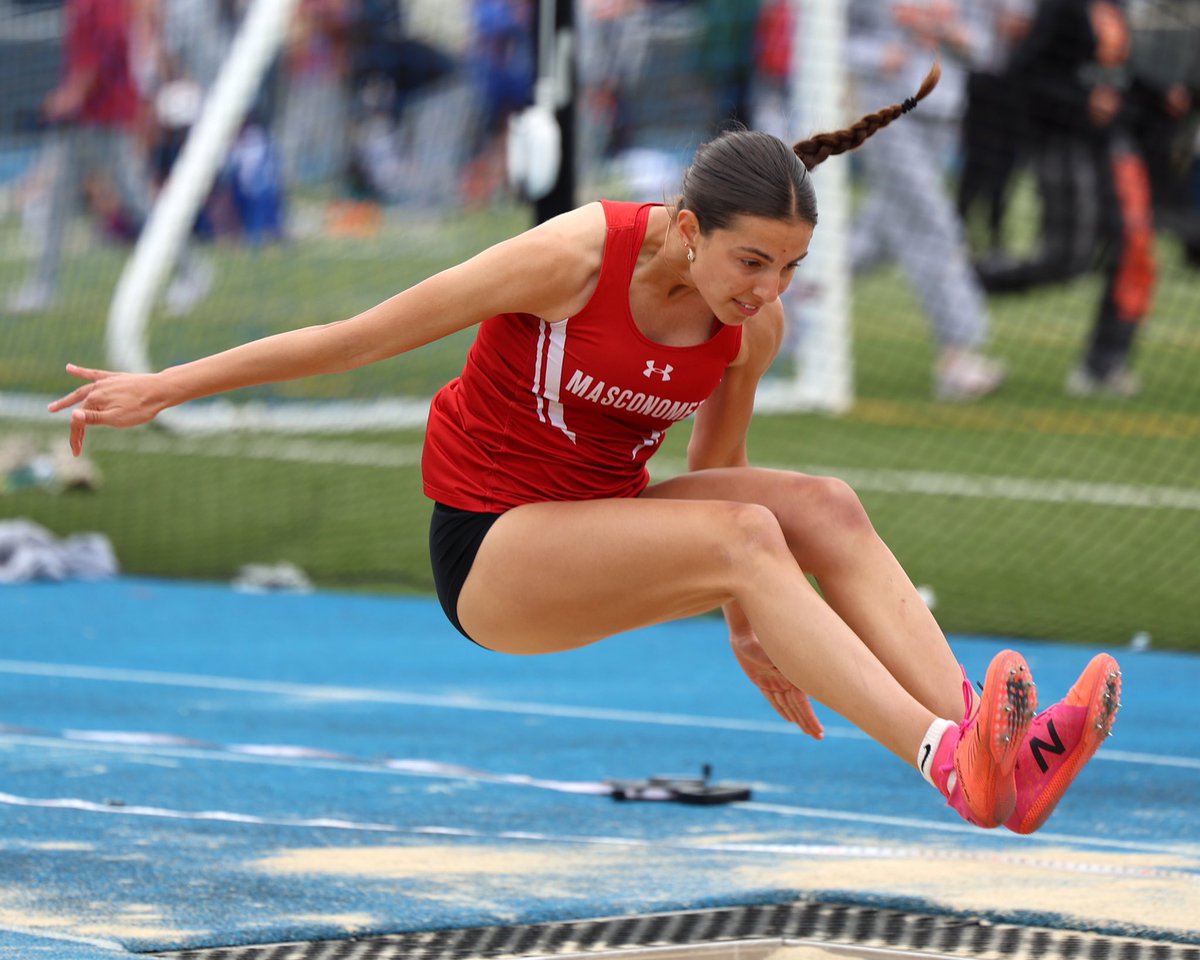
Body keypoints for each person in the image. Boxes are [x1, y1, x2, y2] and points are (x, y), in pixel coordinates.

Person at [48, 66, 1120, 835]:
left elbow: (716, 475)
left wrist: (757, 621)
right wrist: (167, 384)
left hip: (603, 521)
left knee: (824, 506)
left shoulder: (751, 324)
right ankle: (946, 762)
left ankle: (992, 755)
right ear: (689, 230)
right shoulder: (572, 259)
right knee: (751, 531)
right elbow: (357, 339)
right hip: (490, 553)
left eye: (789, 269)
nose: (767, 292)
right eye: (753, 262)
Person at [847, 0, 1007, 402]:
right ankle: (958, 356)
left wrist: (954, 33)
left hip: (944, 114)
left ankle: (788, 296)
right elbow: (823, 39)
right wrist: (875, 56)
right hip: (886, 114)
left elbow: (987, 48)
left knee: (877, 238)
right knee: (935, 226)